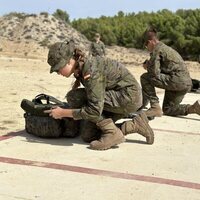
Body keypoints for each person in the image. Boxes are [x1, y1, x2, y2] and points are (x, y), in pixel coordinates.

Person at [45, 40, 154, 150]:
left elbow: (94, 110)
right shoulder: (81, 68)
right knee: (88, 135)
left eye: (58, 69)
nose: (58, 73)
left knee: (75, 97)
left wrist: (63, 113)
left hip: (128, 98)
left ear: (68, 61)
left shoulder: (90, 70)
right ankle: (135, 125)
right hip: (118, 98)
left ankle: (112, 132)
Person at [140, 27, 200, 118]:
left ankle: (154, 107)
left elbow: (154, 74)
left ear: (150, 42)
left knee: (145, 77)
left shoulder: (157, 49)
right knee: (168, 109)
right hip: (185, 83)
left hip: (176, 81)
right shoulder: (166, 48)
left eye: (146, 45)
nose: (146, 48)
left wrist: (147, 66)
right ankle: (194, 108)